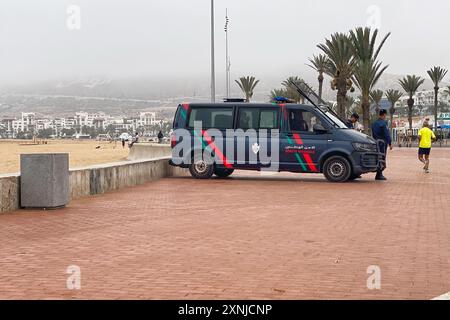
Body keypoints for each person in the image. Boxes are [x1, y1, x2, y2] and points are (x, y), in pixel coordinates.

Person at [372, 109, 392, 181]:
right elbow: (386, 134)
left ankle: (378, 173)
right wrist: (390, 143)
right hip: (382, 143)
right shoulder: (383, 123)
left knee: (378, 156)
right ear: (384, 115)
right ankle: (379, 174)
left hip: (376, 141)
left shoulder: (374, 123)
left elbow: (373, 134)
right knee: (382, 157)